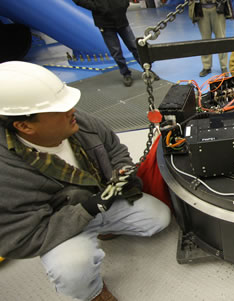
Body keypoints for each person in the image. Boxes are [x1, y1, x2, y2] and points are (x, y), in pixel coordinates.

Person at [0, 61, 171, 300]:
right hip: (58, 228)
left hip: (101, 202)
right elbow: (22, 237)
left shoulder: (78, 121)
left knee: (157, 218)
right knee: (73, 271)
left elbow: (114, 148)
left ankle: (104, 229)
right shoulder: (6, 172)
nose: (73, 110)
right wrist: (86, 210)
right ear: (24, 125)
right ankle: (93, 293)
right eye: (60, 109)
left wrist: (122, 170)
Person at [69, 0, 155, 87]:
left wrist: (123, 2)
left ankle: (147, 70)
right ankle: (126, 74)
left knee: (135, 46)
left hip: (120, 17)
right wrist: (96, 6)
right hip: (104, 20)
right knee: (116, 50)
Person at [180, 0, 233, 77]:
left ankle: (223, 66)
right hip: (201, 10)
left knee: (221, 38)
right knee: (205, 40)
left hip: (217, 8)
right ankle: (206, 67)